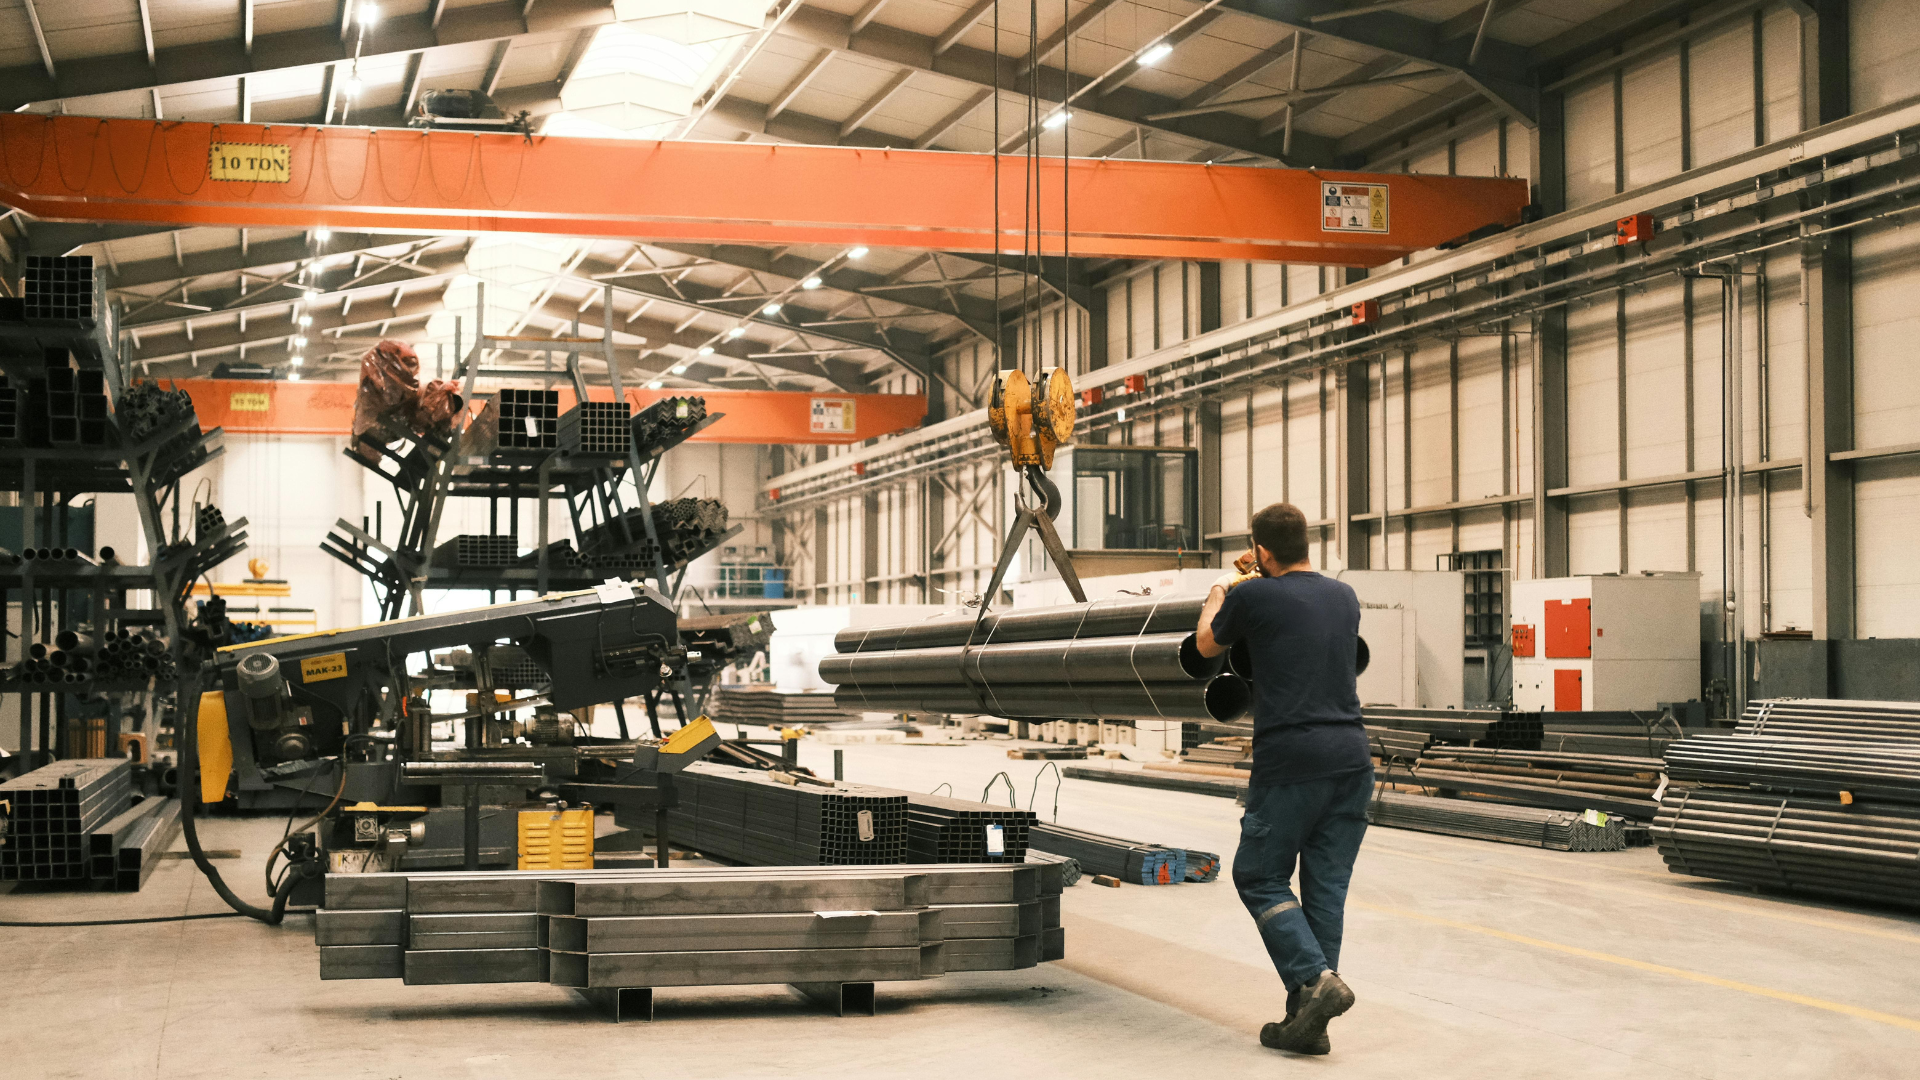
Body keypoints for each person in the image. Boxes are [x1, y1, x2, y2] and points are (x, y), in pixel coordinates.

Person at [1196, 501, 1369, 1056]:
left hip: (1292, 759)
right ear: (1308, 544)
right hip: (1352, 760)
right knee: (1326, 890)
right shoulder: (1343, 595)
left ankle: (1315, 983)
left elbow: (1205, 646)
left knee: (1259, 876)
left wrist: (1222, 589)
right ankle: (1307, 1020)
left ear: (1262, 549)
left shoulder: (1249, 595)